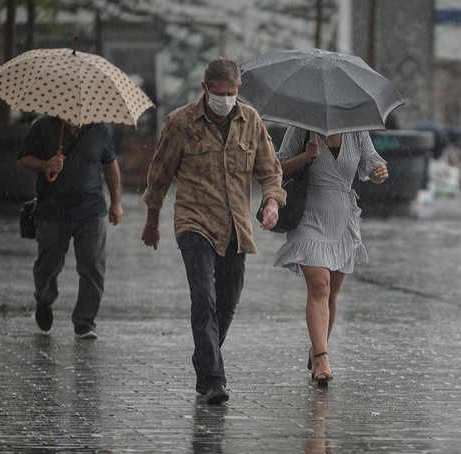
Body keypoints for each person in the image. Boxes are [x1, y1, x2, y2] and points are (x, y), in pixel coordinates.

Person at [141, 59, 286, 405]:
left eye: (232, 93)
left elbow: (270, 171)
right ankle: (213, 379)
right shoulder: (181, 122)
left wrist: (272, 203)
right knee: (203, 297)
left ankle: (204, 358)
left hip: (236, 226)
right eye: (220, 93)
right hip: (194, 223)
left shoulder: (250, 120)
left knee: (228, 302)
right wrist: (152, 220)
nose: (226, 99)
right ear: (205, 89)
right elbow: (159, 175)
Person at [273, 125, 389, 386]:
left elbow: (372, 165)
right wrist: (305, 157)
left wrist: (378, 172)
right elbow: (277, 168)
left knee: (332, 293)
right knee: (319, 285)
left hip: (343, 218)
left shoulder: (357, 129)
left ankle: (316, 349)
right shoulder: (301, 127)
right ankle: (323, 358)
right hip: (308, 215)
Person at [17, 115, 123, 339]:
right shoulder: (43, 127)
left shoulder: (100, 129)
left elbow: (110, 164)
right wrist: (46, 164)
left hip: (91, 210)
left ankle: (85, 321)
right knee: (48, 266)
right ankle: (44, 300)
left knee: (93, 266)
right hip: (52, 212)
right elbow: (23, 160)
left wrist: (116, 202)